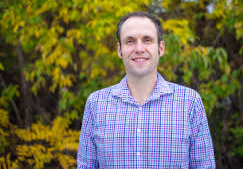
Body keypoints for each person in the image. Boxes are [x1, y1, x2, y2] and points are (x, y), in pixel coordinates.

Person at [77, 11, 215, 168]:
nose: (139, 48)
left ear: (160, 48)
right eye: (130, 41)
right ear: (119, 50)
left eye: (147, 40)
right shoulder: (96, 104)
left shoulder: (190, 102)